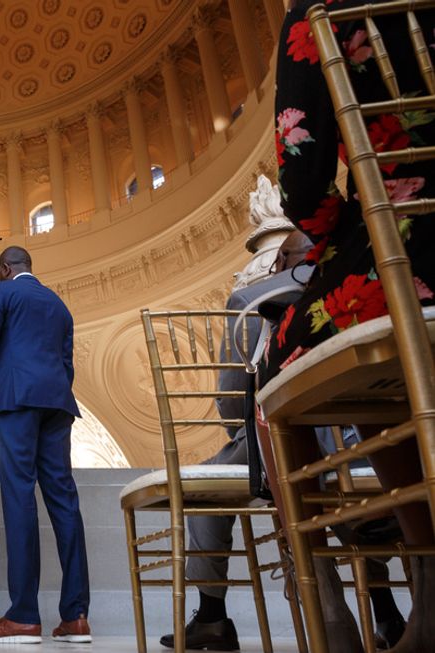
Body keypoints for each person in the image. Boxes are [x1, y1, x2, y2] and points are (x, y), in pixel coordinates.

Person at [263, 2, 435, 652]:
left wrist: (344, 237)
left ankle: (342, 600)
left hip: (407, 244)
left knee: (283, 373)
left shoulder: (322, 12)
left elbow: (304, 183)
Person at [163, 232, 406, 650]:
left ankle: (212, 614)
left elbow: (233, 398)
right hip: (381, 441)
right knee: (345, 495)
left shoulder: (252, 298)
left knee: (203, 489)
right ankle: (386, 613)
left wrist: (243, 436)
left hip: (282, 442)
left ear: (281, 262)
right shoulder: (366, 277)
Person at [0, 246, 91, 644]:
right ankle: (76, 616)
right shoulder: (59, 305)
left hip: (17, 403)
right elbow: (66, 364)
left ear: (4, 268)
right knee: (65, 502)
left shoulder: (1, 292)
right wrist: (53, 396)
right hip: (58, 405)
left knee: (19, 498)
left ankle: (24, 616)